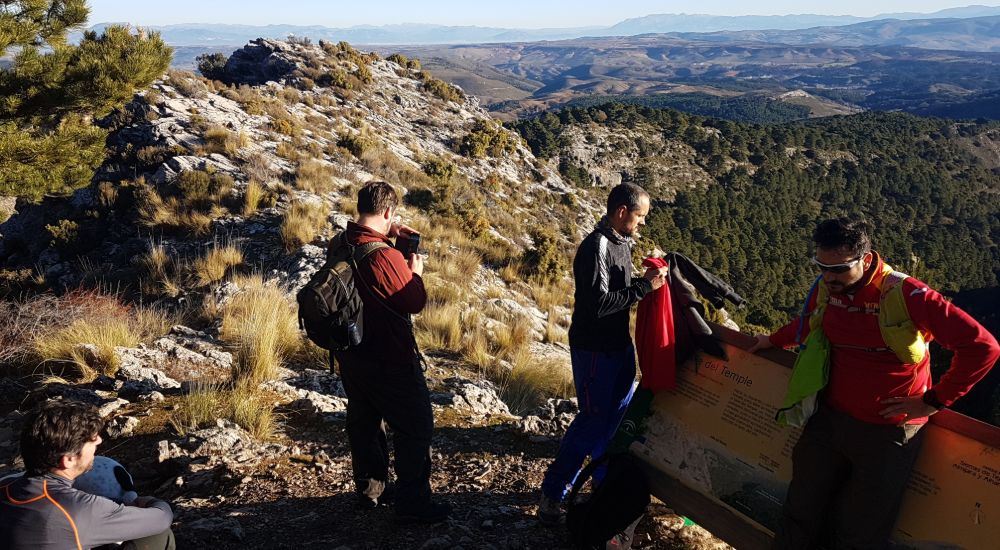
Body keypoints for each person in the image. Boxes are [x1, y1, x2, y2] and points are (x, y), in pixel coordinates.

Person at [749, 218, 999, 550]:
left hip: (887, 433)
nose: (828, 276)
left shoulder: (906, 294)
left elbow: (983, 347)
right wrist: (774, 340)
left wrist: (935, 400)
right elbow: (812, 322)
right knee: (800, 510)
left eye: (838, 269)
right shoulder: (828, 288)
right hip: (829, 420)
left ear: (866, 260)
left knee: (861, 530)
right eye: (821, 266)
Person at [537, 182, 667, 525]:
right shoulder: (596, 247)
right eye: (639, 217)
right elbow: (599, 306)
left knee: (616, 422)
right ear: (622, 212)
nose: (642, 224)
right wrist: (644, 286)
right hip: (594, 350)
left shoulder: (621, 242)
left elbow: (621, 293)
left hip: (618, 348)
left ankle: (602, 484)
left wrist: (647, 278)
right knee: (591, 422)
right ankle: (553, 494)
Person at [332, 181, 450, 524]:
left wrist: (389, 230)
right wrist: (415, 273)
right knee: (415, 426)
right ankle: (413, 504)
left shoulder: (341, 243)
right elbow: (413, 300)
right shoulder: (385, 256)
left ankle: (371, 491)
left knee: (365, 421)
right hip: (390, 358)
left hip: (353, 354)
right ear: (387, 211)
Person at [0, 400, 175, 550]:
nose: (98, 440)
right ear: (67, 460)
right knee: (159, 536)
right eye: (89, 439)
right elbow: (162, 518)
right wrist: (147, 502)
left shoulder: (5, 487)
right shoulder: (79, 509)